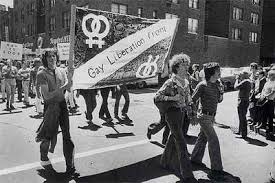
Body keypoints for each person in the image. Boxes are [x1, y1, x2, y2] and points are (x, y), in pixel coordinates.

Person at [155, 53, 197, 183]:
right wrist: (172, 98)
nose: (187, 68)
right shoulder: (170, 82)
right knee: (180, 141)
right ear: (177, 67)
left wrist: (192, 112)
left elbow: (188, 98)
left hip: (183, 113)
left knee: (174, 137)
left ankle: (164, 162)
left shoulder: (186, 81)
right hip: (172, 114)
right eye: (184, 66)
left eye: (187, 65)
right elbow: (157, 97)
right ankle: (187, 174)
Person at [35, 51, 75, 174]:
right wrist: (64, 87)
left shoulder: (62, 71)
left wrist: (70, 78)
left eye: (54, 56)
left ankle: (70, 165)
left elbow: (68, 87)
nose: (52, 58)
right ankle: (43, 154)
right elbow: (46, 96)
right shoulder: (41, 74)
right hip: (50, 108)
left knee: (67, 135)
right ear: (45, 59)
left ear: (56, 58)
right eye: (49, 56)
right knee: (48, 135)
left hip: (62, 106)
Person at [190, 62, 226, 180]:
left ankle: (195, 159)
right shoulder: (202, 85)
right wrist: (193, 115)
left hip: (212, 117)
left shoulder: (217, 84)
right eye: (218, 71)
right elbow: (192, 100)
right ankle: (216, 169)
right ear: (211, 73)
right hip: (203, 117)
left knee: (203, 137)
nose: (220, 72)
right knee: (213, 140)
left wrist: (221, 91)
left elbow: (219, 101)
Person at [258, 70, 275, 140]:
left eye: (268, 75)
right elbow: (263, 89)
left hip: (270, 100)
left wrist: (267, 96)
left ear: (272, 76)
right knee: (264, 113)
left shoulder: (274, 83)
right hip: (265, 99)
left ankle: (271, 129)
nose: (267, 76)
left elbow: (273, 92)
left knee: (270, 115)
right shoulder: (267, 82)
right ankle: (264, 126)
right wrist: (262, 95)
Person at [234, 71, 251, 139]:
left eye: (241, 75)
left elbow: (235, 87)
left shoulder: (245, 81)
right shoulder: (247, 81)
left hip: (242, 101)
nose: (240, 75)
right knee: (241, 116)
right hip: (244, 100)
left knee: (242, 117)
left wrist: (237, 79)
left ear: (245, 75)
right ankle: (240, 131)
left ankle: (244, 134)